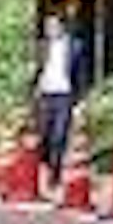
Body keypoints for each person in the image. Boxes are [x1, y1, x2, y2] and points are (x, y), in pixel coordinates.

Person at [31, 14, 79, 181]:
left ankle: (55, 175)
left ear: (61, 27)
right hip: (45, 93)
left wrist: (79, 98)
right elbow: (37, 69)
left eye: (52, 26)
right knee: (44, 134)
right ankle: (42, 168)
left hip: (64, 94)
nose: (49, 30)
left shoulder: (73, 46)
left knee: (59, 136)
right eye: (47, 27)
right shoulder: (42, 46)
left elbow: (80, 72)